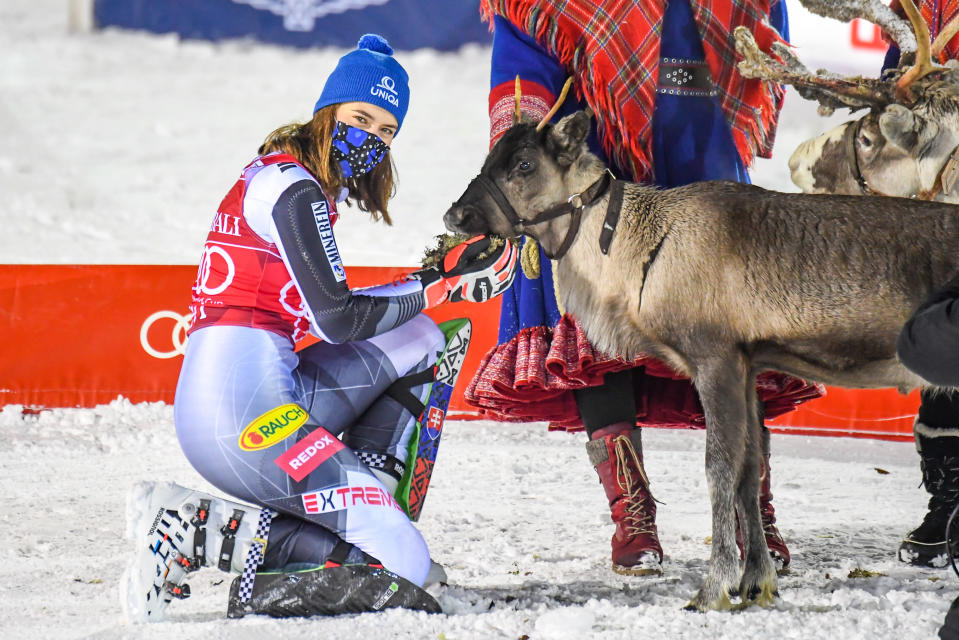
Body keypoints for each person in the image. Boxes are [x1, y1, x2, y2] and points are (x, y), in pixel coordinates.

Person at [121, 34, 517, 622]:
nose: (372, 140)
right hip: (238, 415)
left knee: (425, 338)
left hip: (265, 393)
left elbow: (349, 312)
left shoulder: (299, 185)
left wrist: (436, 279)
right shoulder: (292, 188)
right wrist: (439, 283)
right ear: (327, 113)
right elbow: (337, 320)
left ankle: (364, 493)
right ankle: (192, 530)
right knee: (401, 566)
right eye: (362, 119)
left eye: (387, 132)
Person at [468, 0, 823, 575]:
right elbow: (524, 51)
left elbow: (759, 25)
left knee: (728, 332)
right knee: (598, 326)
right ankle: (632, 514)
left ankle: (749, 509)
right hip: (591, 149)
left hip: (698, 141)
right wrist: (520, 153)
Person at [881, 0, 959, 570]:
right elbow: (897, 76)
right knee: (941, 337)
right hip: (939, 195)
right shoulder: (923, 9)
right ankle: (949, 503)